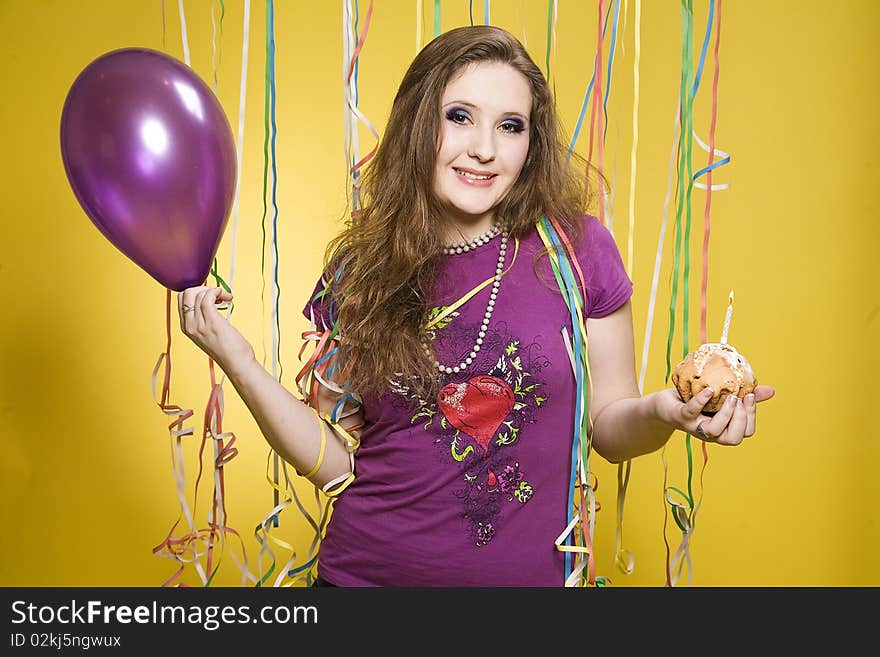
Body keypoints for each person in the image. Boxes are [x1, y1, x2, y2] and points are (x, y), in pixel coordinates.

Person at [177, 25, 775, 587]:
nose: (484, 149)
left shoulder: (575, 249)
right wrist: (238, 360)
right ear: (418, 124)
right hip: (364, 580)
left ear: (530, 143)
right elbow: (336, 464)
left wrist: (665, 412)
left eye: (511, 126)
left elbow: (608, 430)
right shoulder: (359, 270)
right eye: (459, 117)